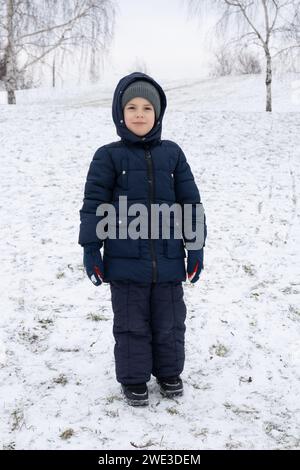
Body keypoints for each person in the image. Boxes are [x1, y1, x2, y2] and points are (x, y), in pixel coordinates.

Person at [79, 72, 207, 407]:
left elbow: (190, 203)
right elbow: (94, 206)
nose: (139, 113)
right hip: (123, 262)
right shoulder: (108, 157)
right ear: (120, 113)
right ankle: (134, 379)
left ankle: (168, 373)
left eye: (147, 107)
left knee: (170, 322)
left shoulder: (172, 155)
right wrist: (92, 248)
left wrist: (195, 246)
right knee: (131, 324)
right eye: (132, 106)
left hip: (167, 260)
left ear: (158, 113)